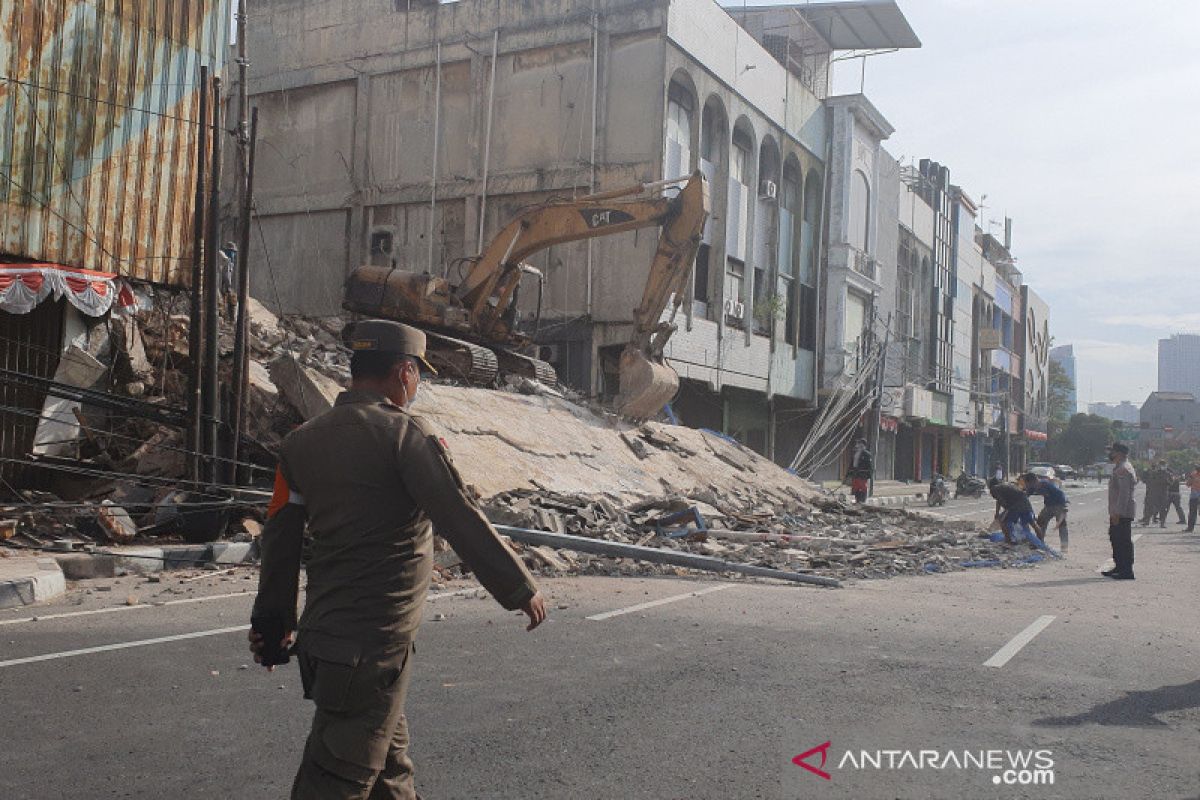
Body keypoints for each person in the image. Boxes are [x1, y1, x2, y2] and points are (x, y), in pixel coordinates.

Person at [249, 320, 548, 800]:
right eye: (417, 375)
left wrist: (271, 623)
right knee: (337, 779)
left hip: (326, 639)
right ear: (404, 372)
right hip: (373, 647)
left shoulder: (301, 442)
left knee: (390, 773)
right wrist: (519, 588)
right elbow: (458, 514)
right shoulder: (404, 436)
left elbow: (280, 539)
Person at [1103, 442, 1137, 580]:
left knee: (1122, 540)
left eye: (1113, 452)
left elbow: (1124, 494)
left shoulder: (1123, 469)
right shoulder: (1119, 467)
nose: (1111, 454)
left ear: (1120, 453)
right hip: (1118, 511)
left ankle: (1126, 571)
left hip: (1122, 512)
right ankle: (1119, 566)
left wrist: (1118, 512)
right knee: (1115, 538)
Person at [1022, 472, 1069, 555]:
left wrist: (1064, 507)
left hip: (1059, 505)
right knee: (1040, 522)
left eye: (1027, 483)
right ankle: (1039, 542)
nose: (1027, 485)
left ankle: (1064, 546)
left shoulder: (1046, 484)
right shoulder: (1033, 487)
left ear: (1033, 481)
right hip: (1048, 506)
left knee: (1061, 524)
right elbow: (1025, 495)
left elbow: (1061, 494)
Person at [989, 477, 1042, 545]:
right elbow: (998, 501)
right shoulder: (1005, 486)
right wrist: (997, 512)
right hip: (1025, 502)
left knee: (1004, 522)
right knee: (1032, 523)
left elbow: (1001, 501)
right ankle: (1041, 542)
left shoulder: (994, 489)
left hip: (1016, 505)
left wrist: (1003, 514)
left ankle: (1009, 541)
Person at [1139, 461, 1169, 527]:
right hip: (1155, 493)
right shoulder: (1154, 473)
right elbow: (1149, 481)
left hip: (1163, 493)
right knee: (1150, 507)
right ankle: (1147, 521)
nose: (1162, 466)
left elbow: (1170, 482)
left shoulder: (1168, 473)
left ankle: (1162, 523)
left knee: (1163, 509)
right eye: (1161, 464)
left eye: (1163, 465)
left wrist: (1165, 481)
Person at [846, 438, 873, 504]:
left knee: (863, 488)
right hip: (855, 473)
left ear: (863, 445)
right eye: (858, 443)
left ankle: (863, 501)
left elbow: (869, 466)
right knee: (856, 488)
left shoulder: (867, 454)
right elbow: (852, 464)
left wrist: (868, 475)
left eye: (859, 443)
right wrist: (848, 473)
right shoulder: (855, 453)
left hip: (862, 474)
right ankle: (857, 500)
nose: (857, 445)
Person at [1186, 465, 1200, 533]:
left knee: (1192, 512)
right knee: (1192, 512)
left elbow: (1188, 484)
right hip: (1194, 495)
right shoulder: (1193, 474)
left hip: (1194, 495)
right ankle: (1189, 528)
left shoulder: (1193, 474)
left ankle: (1190, 528)